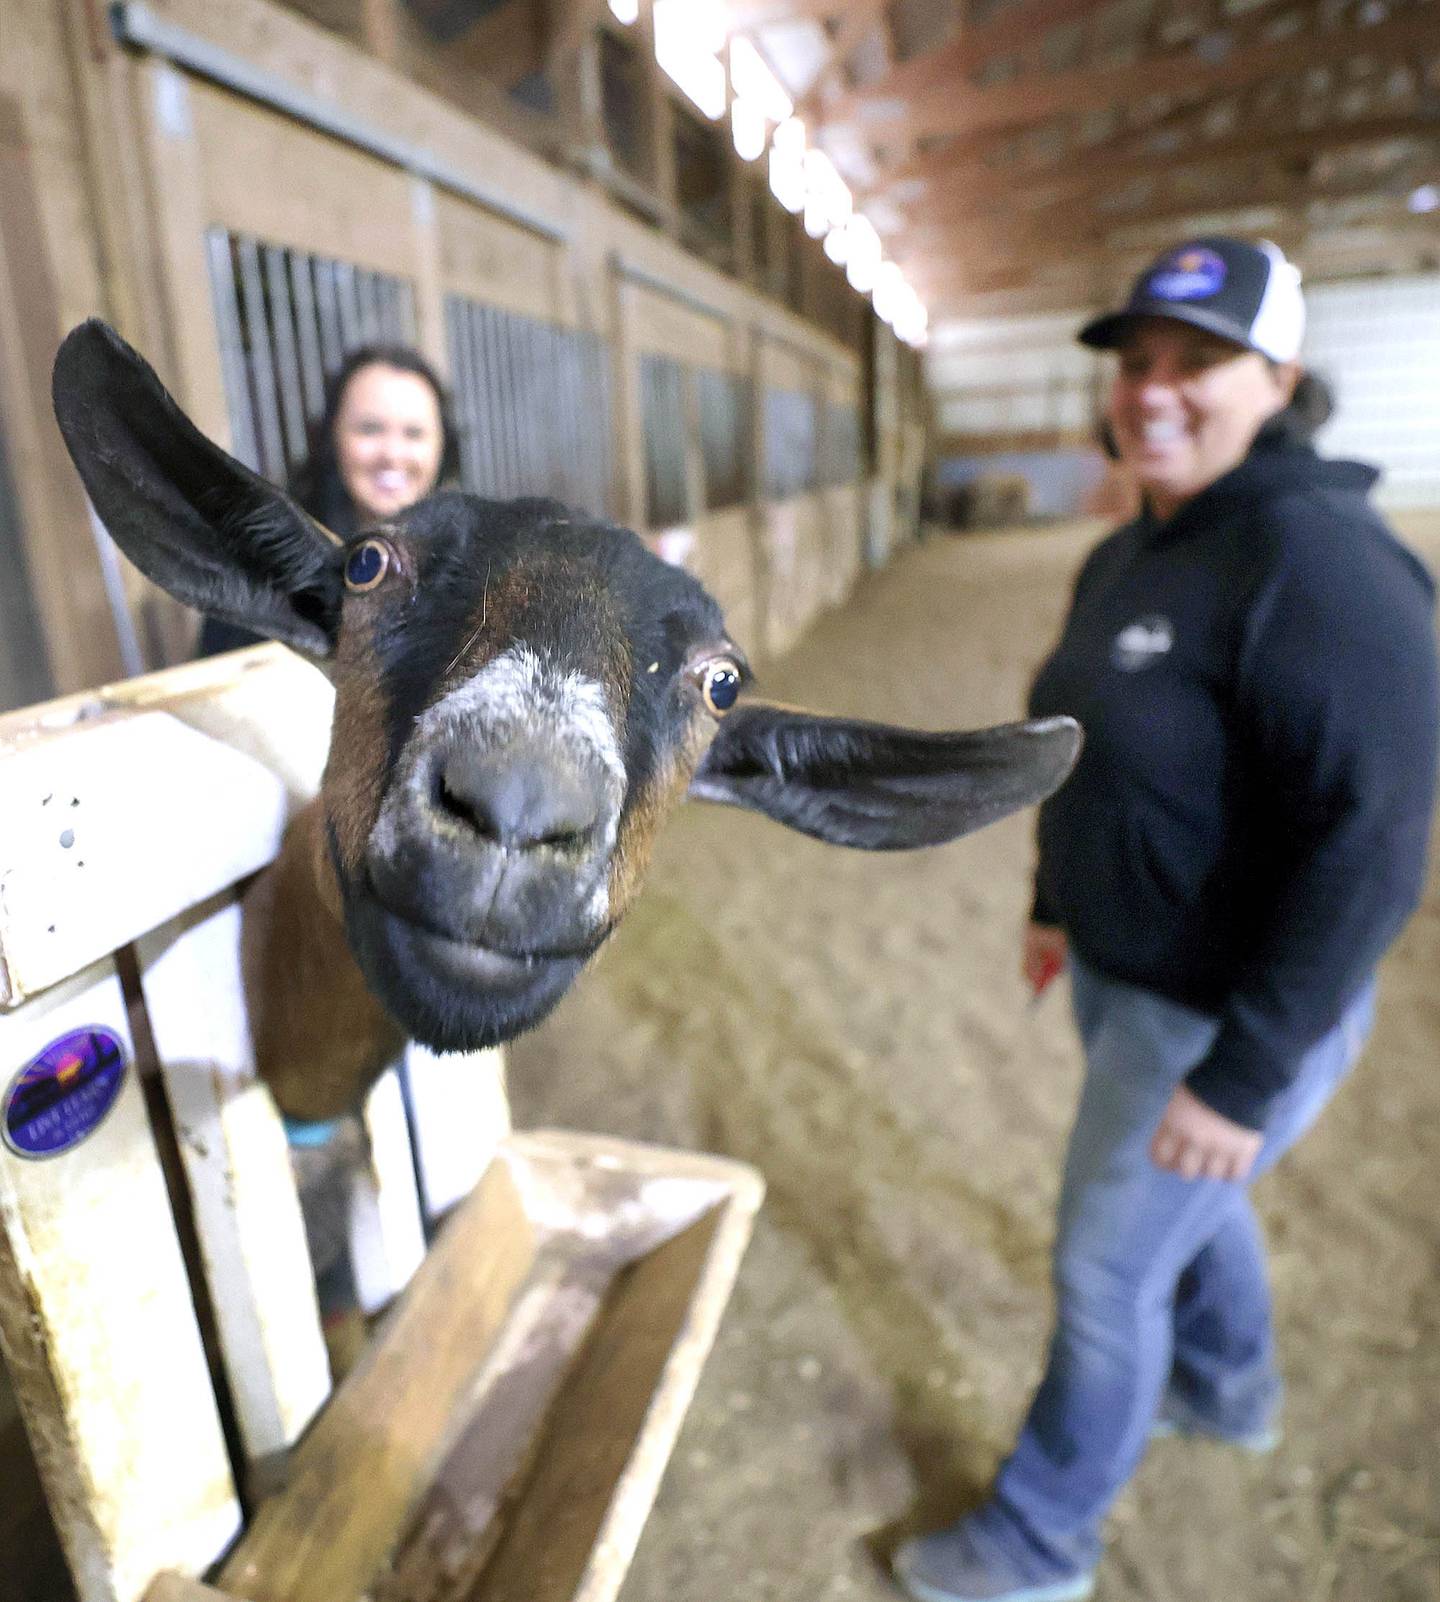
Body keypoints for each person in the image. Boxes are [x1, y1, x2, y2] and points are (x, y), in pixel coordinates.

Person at [894, 237, 1440, 1602]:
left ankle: (1036, 1537)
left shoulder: (1318, 562)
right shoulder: (1133, 548)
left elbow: (1373, 840)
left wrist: (1244, 1074)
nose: (1154, 390)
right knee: (1190, 1216)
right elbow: (1084, 744)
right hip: (1125, 975)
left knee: (1101, 1266)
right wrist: (1053, 896)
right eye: (1137, 361)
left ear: (1281, 380)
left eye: (1200, 361)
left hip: (1224, 1012)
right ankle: (1229, 1384)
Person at [196, 344, 459, 656]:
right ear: (332, 437)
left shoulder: (466, 568)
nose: (392, 454)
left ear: (442, 447)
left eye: (414, 433)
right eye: (370, 429)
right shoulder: (267, 562)